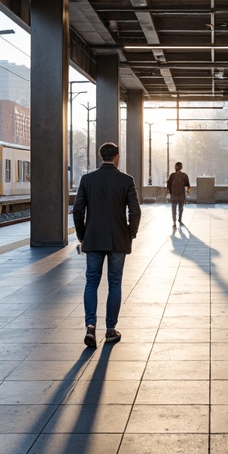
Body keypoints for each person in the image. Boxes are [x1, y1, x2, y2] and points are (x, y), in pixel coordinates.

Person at [73, 142, 141, 349]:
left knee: (91, 282)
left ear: (100, 156)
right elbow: (135, 211)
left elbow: (77, 211)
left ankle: (90, 327)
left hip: (93, 239)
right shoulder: (126, 180)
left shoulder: (87, 179)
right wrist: (130, 233)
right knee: (115, 283)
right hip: (118, 240)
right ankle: (110, 330)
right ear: (117, 156)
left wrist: (83, 236)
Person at [166, 161, 190, 229]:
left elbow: (168, 185)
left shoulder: (172, 175)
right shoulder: (184, 175)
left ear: (176, 167)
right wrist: (187, 192)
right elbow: (187, 185)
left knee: (174, 208)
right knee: (181, 208)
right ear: (181, 167)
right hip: (182, 194)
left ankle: (174, 222)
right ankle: (180, 219)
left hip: (174, 194)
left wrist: (170, 192)